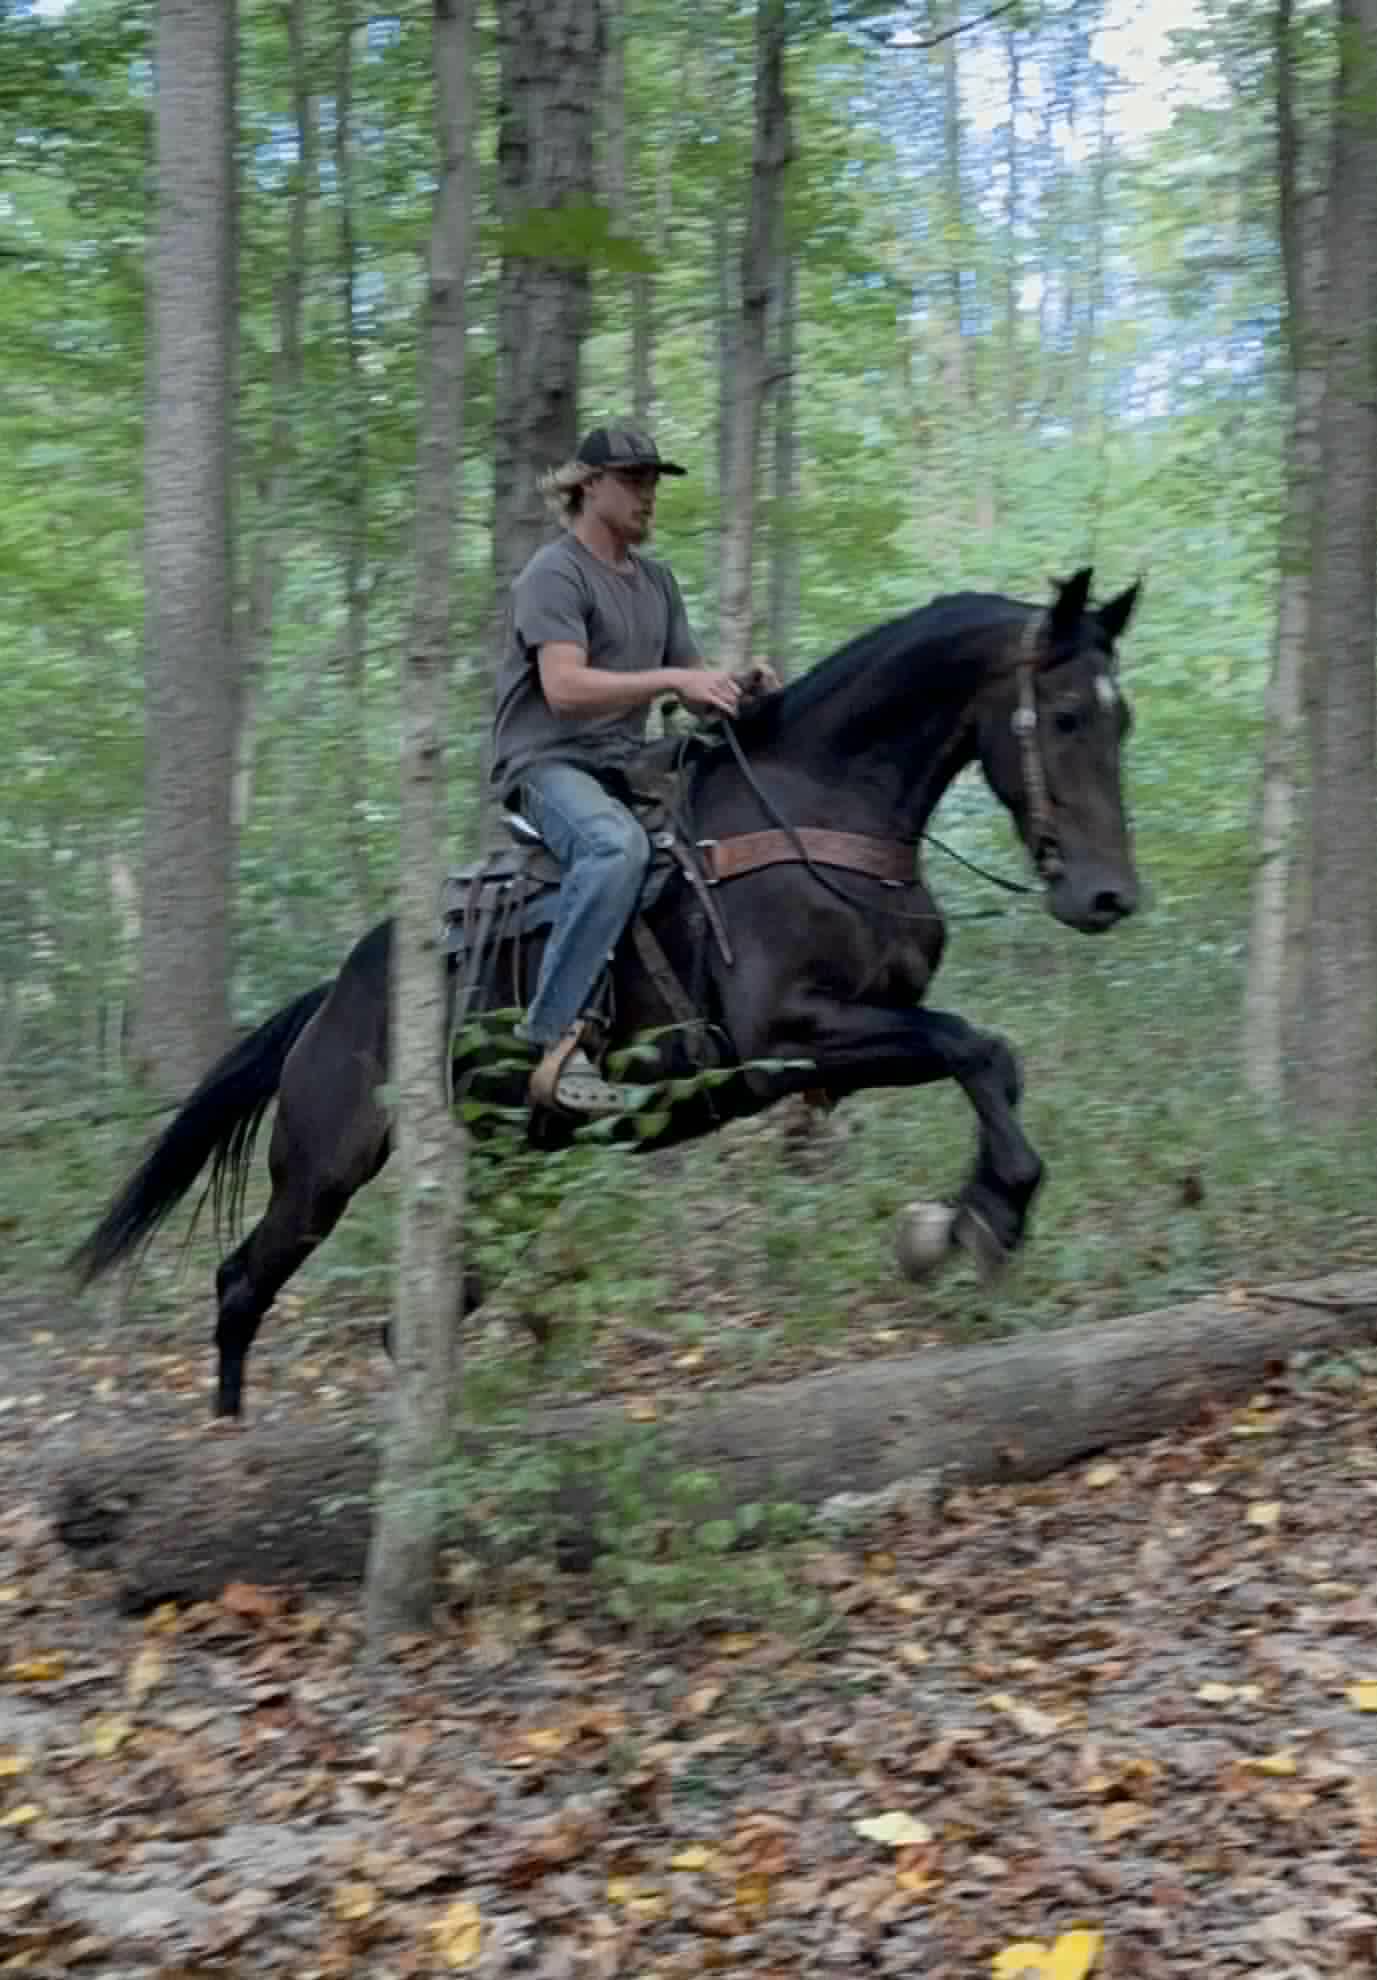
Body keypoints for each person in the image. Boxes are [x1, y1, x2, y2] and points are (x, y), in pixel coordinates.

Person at [489, 425, 751, 1117]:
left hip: (625, 764)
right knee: (614, 848)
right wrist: (669, 679)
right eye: (634, 480)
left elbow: (693, 685)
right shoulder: (554, 572)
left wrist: (739, 689)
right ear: (588, 485)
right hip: (548, 764)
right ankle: (551, 1039)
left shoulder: (657, 582)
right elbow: (563, 688)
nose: (648, 494)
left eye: (653, 481)